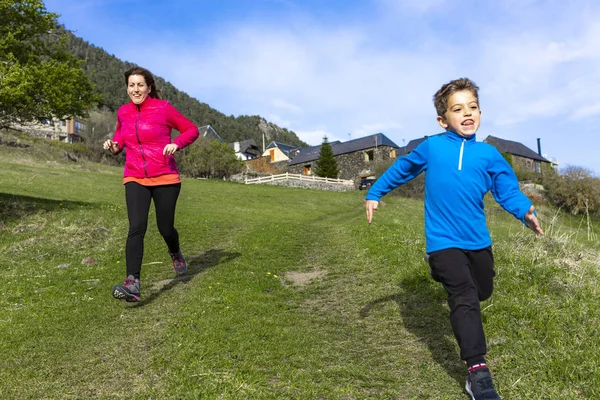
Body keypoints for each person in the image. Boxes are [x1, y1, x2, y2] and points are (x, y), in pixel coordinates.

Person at [365, 78, 543, 400]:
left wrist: (524, 212)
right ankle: (477, 373)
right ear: (442, 119)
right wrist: (375, 192)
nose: (467, 113)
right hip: (443, 239)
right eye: (457, 109)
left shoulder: (489, 155)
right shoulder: (433, 147)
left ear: (480, 112)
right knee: (463, 295)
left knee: (481, 290)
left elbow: (507, 190)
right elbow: (402, 168)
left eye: (472, 107)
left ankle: (439, 270)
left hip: (477, 241)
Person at [103, 66, 199, 303]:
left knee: (165, 227)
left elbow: (191, 129)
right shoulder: (123, 112)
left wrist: (176, 143)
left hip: (165, 175)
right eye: (131, 85)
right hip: (135, 176)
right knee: (136, 227)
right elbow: (119, 141)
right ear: (127, 88)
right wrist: (114, 148)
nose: (135, 89)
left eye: (140, 85)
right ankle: (132, 283)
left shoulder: (163, 108)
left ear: (149, 87)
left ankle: (174, 251)